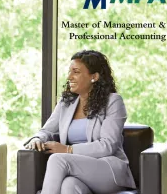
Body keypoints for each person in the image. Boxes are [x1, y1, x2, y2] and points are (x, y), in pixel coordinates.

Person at [24, 50, 135, 194]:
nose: (69, 77)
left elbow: (108, 145)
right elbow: (47, 130)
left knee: (58, 160)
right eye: (69, 72)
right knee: (68, 186)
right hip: (77, 171)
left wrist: (68, 150)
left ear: (94, 77)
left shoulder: (113, 102)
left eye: (75, 72)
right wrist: (37, 138)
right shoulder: (66, 103)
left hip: (108, 170)